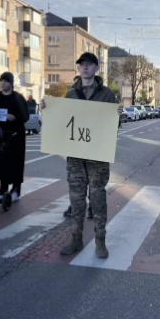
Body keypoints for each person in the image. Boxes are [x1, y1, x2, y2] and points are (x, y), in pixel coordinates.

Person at [40, 52, 118, 259]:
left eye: (89, 64)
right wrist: (48, 110)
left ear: (96, 68)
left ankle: (100, 240)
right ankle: (76, 237)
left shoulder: (106, 94)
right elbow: (63, 121)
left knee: (97, 196)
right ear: (78, 68)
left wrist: (116, 118)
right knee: (76, 197)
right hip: (75, 156)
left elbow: (111, 127)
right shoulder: (71, 95)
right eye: (81, 64)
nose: (85, 67)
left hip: (97, 156)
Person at [0, 72, 29, 202]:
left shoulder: (18, 97)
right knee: (1, 162)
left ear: (11, 83)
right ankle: (2, 189)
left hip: (16, 136)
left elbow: (26, 116)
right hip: (0, 134)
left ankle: (15, 189)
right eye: (1, 81)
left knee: (16, 162)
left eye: (6, 81)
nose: (3, 84)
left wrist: (15, 118)